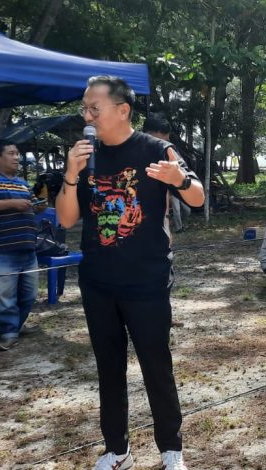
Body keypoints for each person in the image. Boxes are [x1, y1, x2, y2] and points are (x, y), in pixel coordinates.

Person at [56, 76, 205, 470]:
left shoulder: (155, 149)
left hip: (146, 283)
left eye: (94, 108)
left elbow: (197, 196)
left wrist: (179, 180)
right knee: (109, 369)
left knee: (156, 366)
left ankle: (171, 449)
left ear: (122, 110)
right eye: (84, 109)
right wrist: (70, 174)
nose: (87, 117)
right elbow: (66, 219)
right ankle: (117, 450)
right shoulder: (85, 156)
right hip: (98, 283)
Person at [0, 140, 45, 352]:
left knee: (29, 294)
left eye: (17, 153)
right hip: (3, 249)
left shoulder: (22, 182)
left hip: (27, 247)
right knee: (6, 297)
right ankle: (8, 334)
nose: (16, 157)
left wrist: (40, 204)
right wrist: (13, 203)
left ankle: (17, 325)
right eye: (11, 153)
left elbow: (34, 206)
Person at [143, 114, 191, 234]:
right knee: (176, 209)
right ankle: (178, 228)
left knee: (186, 209)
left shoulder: (167, 152)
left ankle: (178, 225)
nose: (165, 144)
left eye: (166, 141)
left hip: (175, 188)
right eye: (163, 140)